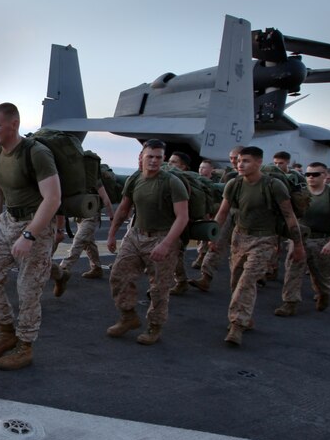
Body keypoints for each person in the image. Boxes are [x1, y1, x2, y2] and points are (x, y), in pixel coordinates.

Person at [0, 102, 62, 369]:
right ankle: (5, 333)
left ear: (14, 124)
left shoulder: (37, 153)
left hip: (36, 225)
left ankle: (25, 346)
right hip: (6, 221)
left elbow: (53, 198)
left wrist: (29, 235)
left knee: (28, 291)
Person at [210, 146, 304, 346]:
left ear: (259, 162)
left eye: (246, 161)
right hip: (239, 237)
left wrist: (298, 245)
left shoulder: (274, 185)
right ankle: (245, 316)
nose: (240, 164)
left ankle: (237, 324)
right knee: (236, 281)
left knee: (247, 280)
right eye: (238, 161)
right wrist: (213, 236)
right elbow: (223, 212)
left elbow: (289, 215)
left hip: (265, 240)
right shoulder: (234, 184)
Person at [104, 140, 189, 344]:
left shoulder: (171, 182)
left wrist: (166, 244)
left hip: (162, 236)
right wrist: (112, 233)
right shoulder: (135, 179)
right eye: (150, 156)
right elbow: (124, 208)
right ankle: (128, 316)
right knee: (118, 276)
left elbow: (182, 217)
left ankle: (154, 326)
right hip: (135, 234)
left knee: (159, 287)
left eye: (159, 157)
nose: (154, 161)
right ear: (141, 156)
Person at [274, 162, 330, 316]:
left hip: (323, 240)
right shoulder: (298, 194)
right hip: (299, 239)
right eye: (308, 174)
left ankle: (324, 293)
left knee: (323, 274)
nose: (311, 178)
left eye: (315, 174)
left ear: (325, 176)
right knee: (293, 271)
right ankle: (290, 302)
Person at [191, 146, 243, 291]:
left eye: (236, 157)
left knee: (241, 251)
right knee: (215, 244)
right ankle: (205, 277)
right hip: (228, 212)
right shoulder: (230, 177)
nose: (234, 161)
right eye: (231, 158)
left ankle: (248, 279)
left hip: (245, 216)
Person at [53, 181, 113, 286]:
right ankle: (97, 268)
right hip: (80, 215)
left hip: (91, 216)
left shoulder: (94, 178)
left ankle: (63, 268)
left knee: (79, 240)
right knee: (89, 244)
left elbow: (106, 199)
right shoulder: (77, 177)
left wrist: (112, 218)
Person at [165, 151, 193, 294]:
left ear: (184, 167)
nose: (170, 165)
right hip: (166, 223)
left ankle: (181, 282)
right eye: (169, 161)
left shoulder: (182, 182)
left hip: (179, 225)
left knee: (176, 255)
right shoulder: (168, 179)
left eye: (174, 162)